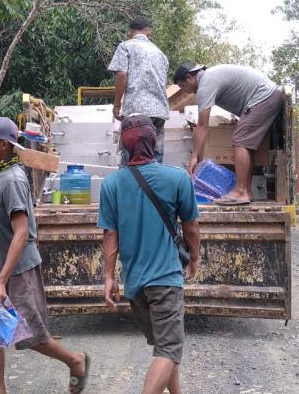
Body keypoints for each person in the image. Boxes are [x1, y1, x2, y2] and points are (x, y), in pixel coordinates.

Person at [0, 117, 90, 394]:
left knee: (30, 335)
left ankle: (75, 361)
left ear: (4, 145)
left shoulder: (14, 180)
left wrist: (3, 280)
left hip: (16, 270)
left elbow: (22, 233)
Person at [98, 115, 200, 394]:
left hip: (135, 286)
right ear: (154, 142)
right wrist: (195, 257)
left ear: (123, 146)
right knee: (168, 350)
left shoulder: (111, 184)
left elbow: (110, 235)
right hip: (165, 280)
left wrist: (108, 277)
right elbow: (191, 227)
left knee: (163, 347)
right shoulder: (177, 178)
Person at [173, 63, 283, 205]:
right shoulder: (210, 76)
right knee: (245, 143)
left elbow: (202, 125)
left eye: (182, 86)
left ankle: (240, 192)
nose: (185, 91)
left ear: (189, 77)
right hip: (267, 96)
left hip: (264, 97)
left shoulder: (206, 83)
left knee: (240, 140)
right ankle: (246, 192)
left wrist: (194, 156)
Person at [108, 16, 169, 163]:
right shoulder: (161, 54)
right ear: (149, 32)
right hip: (159, 112)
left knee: (132, 155)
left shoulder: (126, 46)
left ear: (130, 32)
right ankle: (155, 185)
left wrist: (117, 104)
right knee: (155, 155)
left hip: (136, 111)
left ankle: (130, 186)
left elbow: (122, 74)